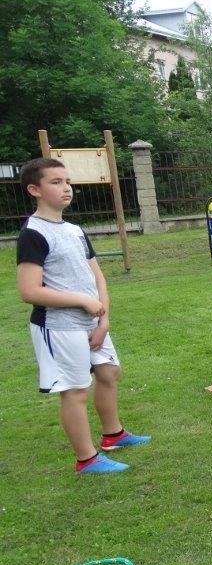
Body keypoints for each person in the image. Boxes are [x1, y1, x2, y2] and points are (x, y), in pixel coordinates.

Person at [15, 157, 150, 474]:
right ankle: (86, 459)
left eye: (67, 182)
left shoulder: (75, 230)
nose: (66, 188)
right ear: (34, 190)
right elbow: (29, 291)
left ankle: (113, 434)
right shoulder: (33, 233)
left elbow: (97, 277)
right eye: (56, 182)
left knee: (109, 373)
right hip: (59, 326)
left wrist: (104, 319)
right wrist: (81, 301)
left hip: (92, 322)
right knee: (76, 391)